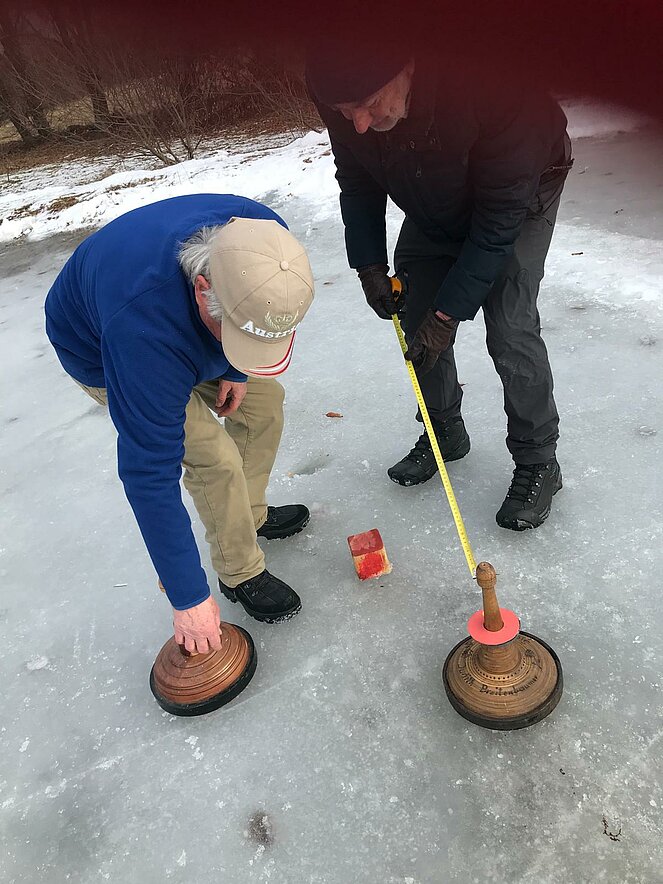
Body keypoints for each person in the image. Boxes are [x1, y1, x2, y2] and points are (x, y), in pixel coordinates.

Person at [306, 41, 573, 531]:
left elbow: (495, 228)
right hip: (430, 183)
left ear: (406, 65)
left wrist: (448, 316)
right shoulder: (335, 88)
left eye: (369, 104)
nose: (358, 123)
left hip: (518, 193)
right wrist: (368, 265)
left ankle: (539, 461)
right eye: (346, 112)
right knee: (414, 312)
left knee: (510, 327)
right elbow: (358, 179)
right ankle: (442, 430)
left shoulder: (495, 86)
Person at [45, 194, 315, 654]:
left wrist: (236, 368)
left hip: (183, 320)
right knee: (214, 459)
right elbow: (149, 473)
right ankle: (239, 570)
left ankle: (247, 517)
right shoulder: (142, 335)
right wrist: (187, 596)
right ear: (202, 288)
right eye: (236, 335)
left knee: (264, 406)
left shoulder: (267, 246)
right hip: (104, 347)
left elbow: (250, 319)